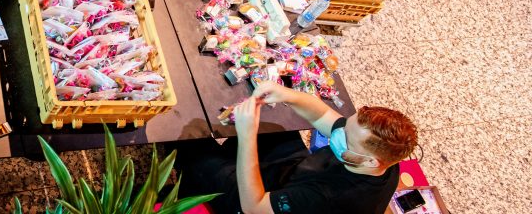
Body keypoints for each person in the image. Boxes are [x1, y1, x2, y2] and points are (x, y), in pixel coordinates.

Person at [176, 81, 418, 214]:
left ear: (370, 161)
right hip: (297, 173)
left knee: (193, 149)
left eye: (345, 138)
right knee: (273, 131)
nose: (338, 133)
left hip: (258, 206)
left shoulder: (330, 199)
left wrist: (247, 135)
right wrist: (286, 94)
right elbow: (322, 113)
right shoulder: (383, 159)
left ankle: (189, 176)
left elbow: (254, 207)